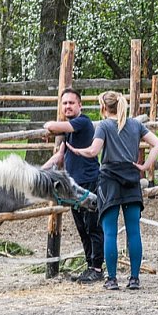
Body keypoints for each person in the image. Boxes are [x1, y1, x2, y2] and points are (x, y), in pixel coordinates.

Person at [66, 91, 158, 290]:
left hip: (109, 180)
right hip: (131, 177)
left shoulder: (104, 126)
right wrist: (145, 166)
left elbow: (93, 151)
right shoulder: (135, 124)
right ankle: (134, 279)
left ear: (103, 107)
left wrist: (77, 151)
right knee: (133, 230)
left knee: (110, 231)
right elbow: (157, 144)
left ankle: (112, 279)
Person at [42, 88, 104, 284]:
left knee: (93, 226)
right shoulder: (69, 131)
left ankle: (97, 268)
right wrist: (39, 171)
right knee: (82, 228)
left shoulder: (81, 122)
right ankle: (90, 266)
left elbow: (52, 125)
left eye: (71, 103)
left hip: (89, 181)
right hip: (73, 186)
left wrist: (48, 126)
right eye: (64, 103)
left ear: (80, 105)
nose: (67, 106)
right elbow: (59, 155)